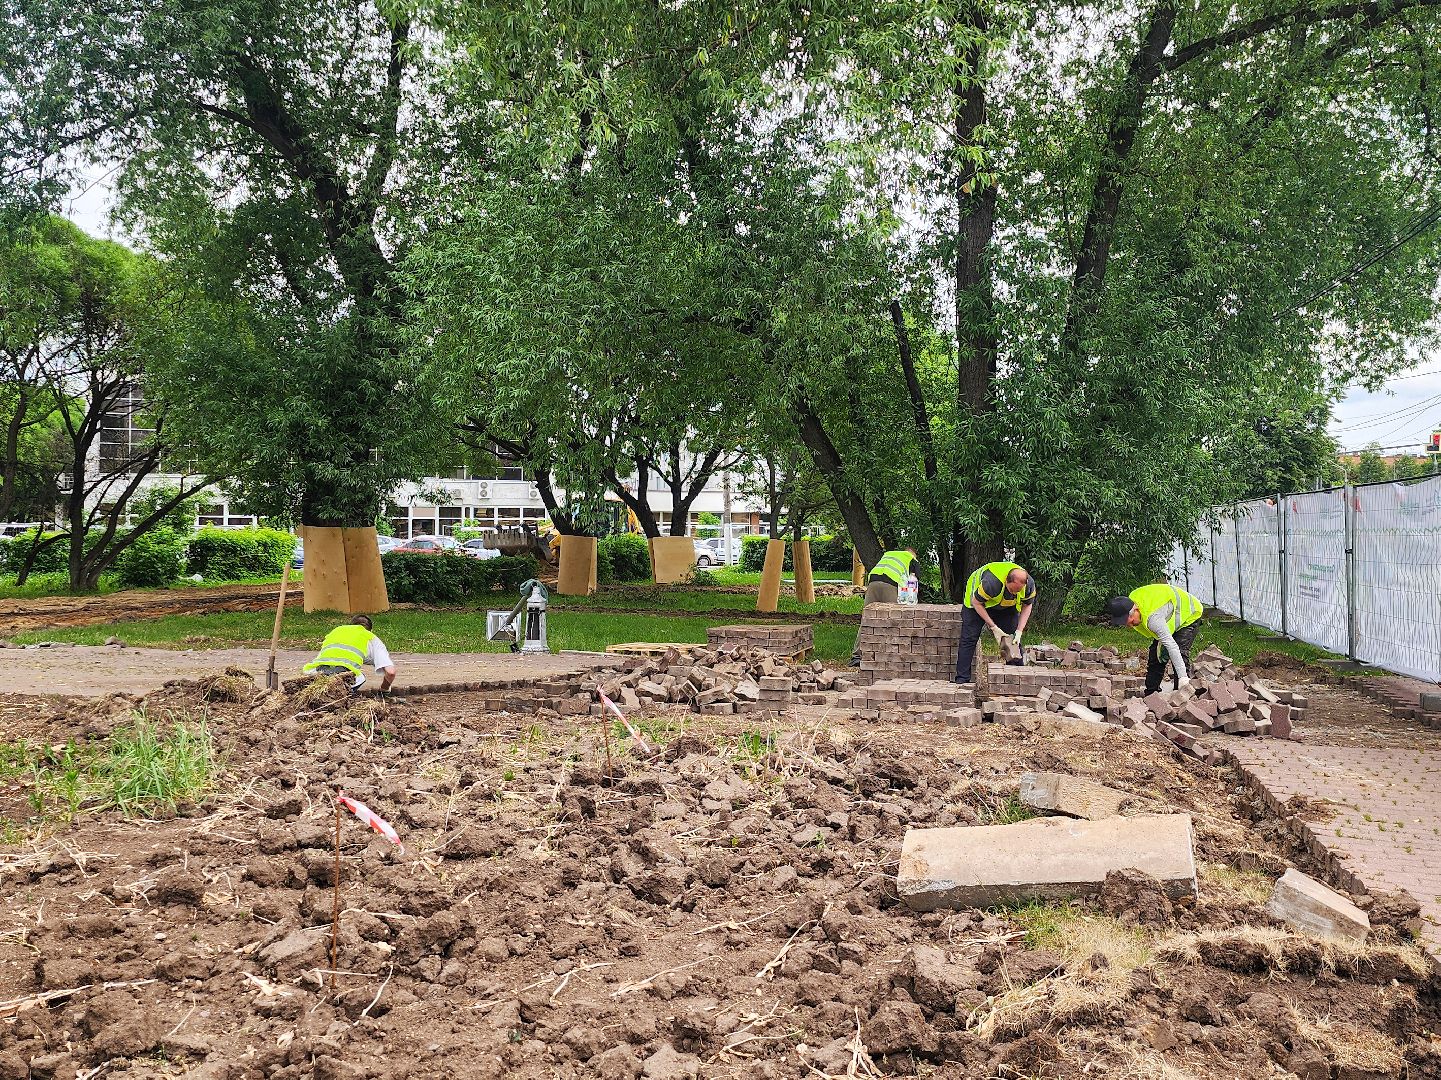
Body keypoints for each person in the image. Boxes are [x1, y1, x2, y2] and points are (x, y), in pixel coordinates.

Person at [1104, 584, 1204, 694]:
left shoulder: (1153, 619)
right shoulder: (1132, 602)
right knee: (1156, 655)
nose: (1130, 625)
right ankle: (1151, 694)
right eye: (1125, 623)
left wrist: (1183, 677)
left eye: (1131, 620)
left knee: (1180, 650)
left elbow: (1172, 646)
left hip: (1189, 611)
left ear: (1136, 609)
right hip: (1167, 612)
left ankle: (1182, 694)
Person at [954, 562, 1035, 686]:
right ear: (1007, 581)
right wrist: (993, 627)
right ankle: (962, 680)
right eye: (1013, 590)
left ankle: (1016, 679)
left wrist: (1019, 631)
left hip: (1006, 607)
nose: (1015, 593)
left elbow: (1027, 605)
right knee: (969, 638)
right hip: (976, 604)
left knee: (1012, 640)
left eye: (1018, 591)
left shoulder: (1029, 585)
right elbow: (976, 603)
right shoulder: (992, 582)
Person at [849, 547, 918, 666]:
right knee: (894, 620)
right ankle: (895, 654)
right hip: (890, 584)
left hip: (873, 582)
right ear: (913, 554)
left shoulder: (889, 554)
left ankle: (857, 656)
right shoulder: (912, 559)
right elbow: (914, 584)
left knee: (867, 619)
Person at [303, 615, 396, 691]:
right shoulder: (371, 637)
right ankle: (340, 695)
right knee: (360, 678)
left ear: (351, 625)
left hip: (316, 672)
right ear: (371, 630)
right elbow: (391, 672)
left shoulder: (336, 631)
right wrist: (384, 689)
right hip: (342, 675)